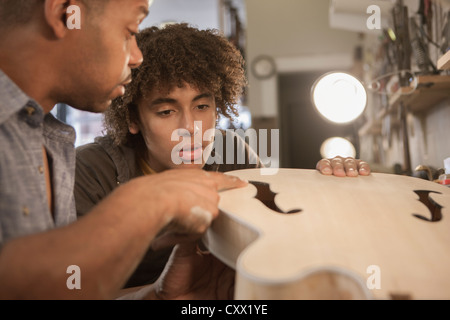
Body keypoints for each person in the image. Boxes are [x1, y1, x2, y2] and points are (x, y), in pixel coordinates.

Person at [74, 23, 372, 291]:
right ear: (133, 119)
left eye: (202, 107)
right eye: (166, 111)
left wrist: (332, 188)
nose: (189, 129)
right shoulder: (91, 173)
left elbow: (282, 233)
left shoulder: (231, 154)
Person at [0, 0, 247, 300]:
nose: (136, 56)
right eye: (128, 31)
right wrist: (144, 203)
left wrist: (159, 297)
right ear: (66, 13)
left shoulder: (51, 140)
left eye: (203, 106)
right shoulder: (87, 167)